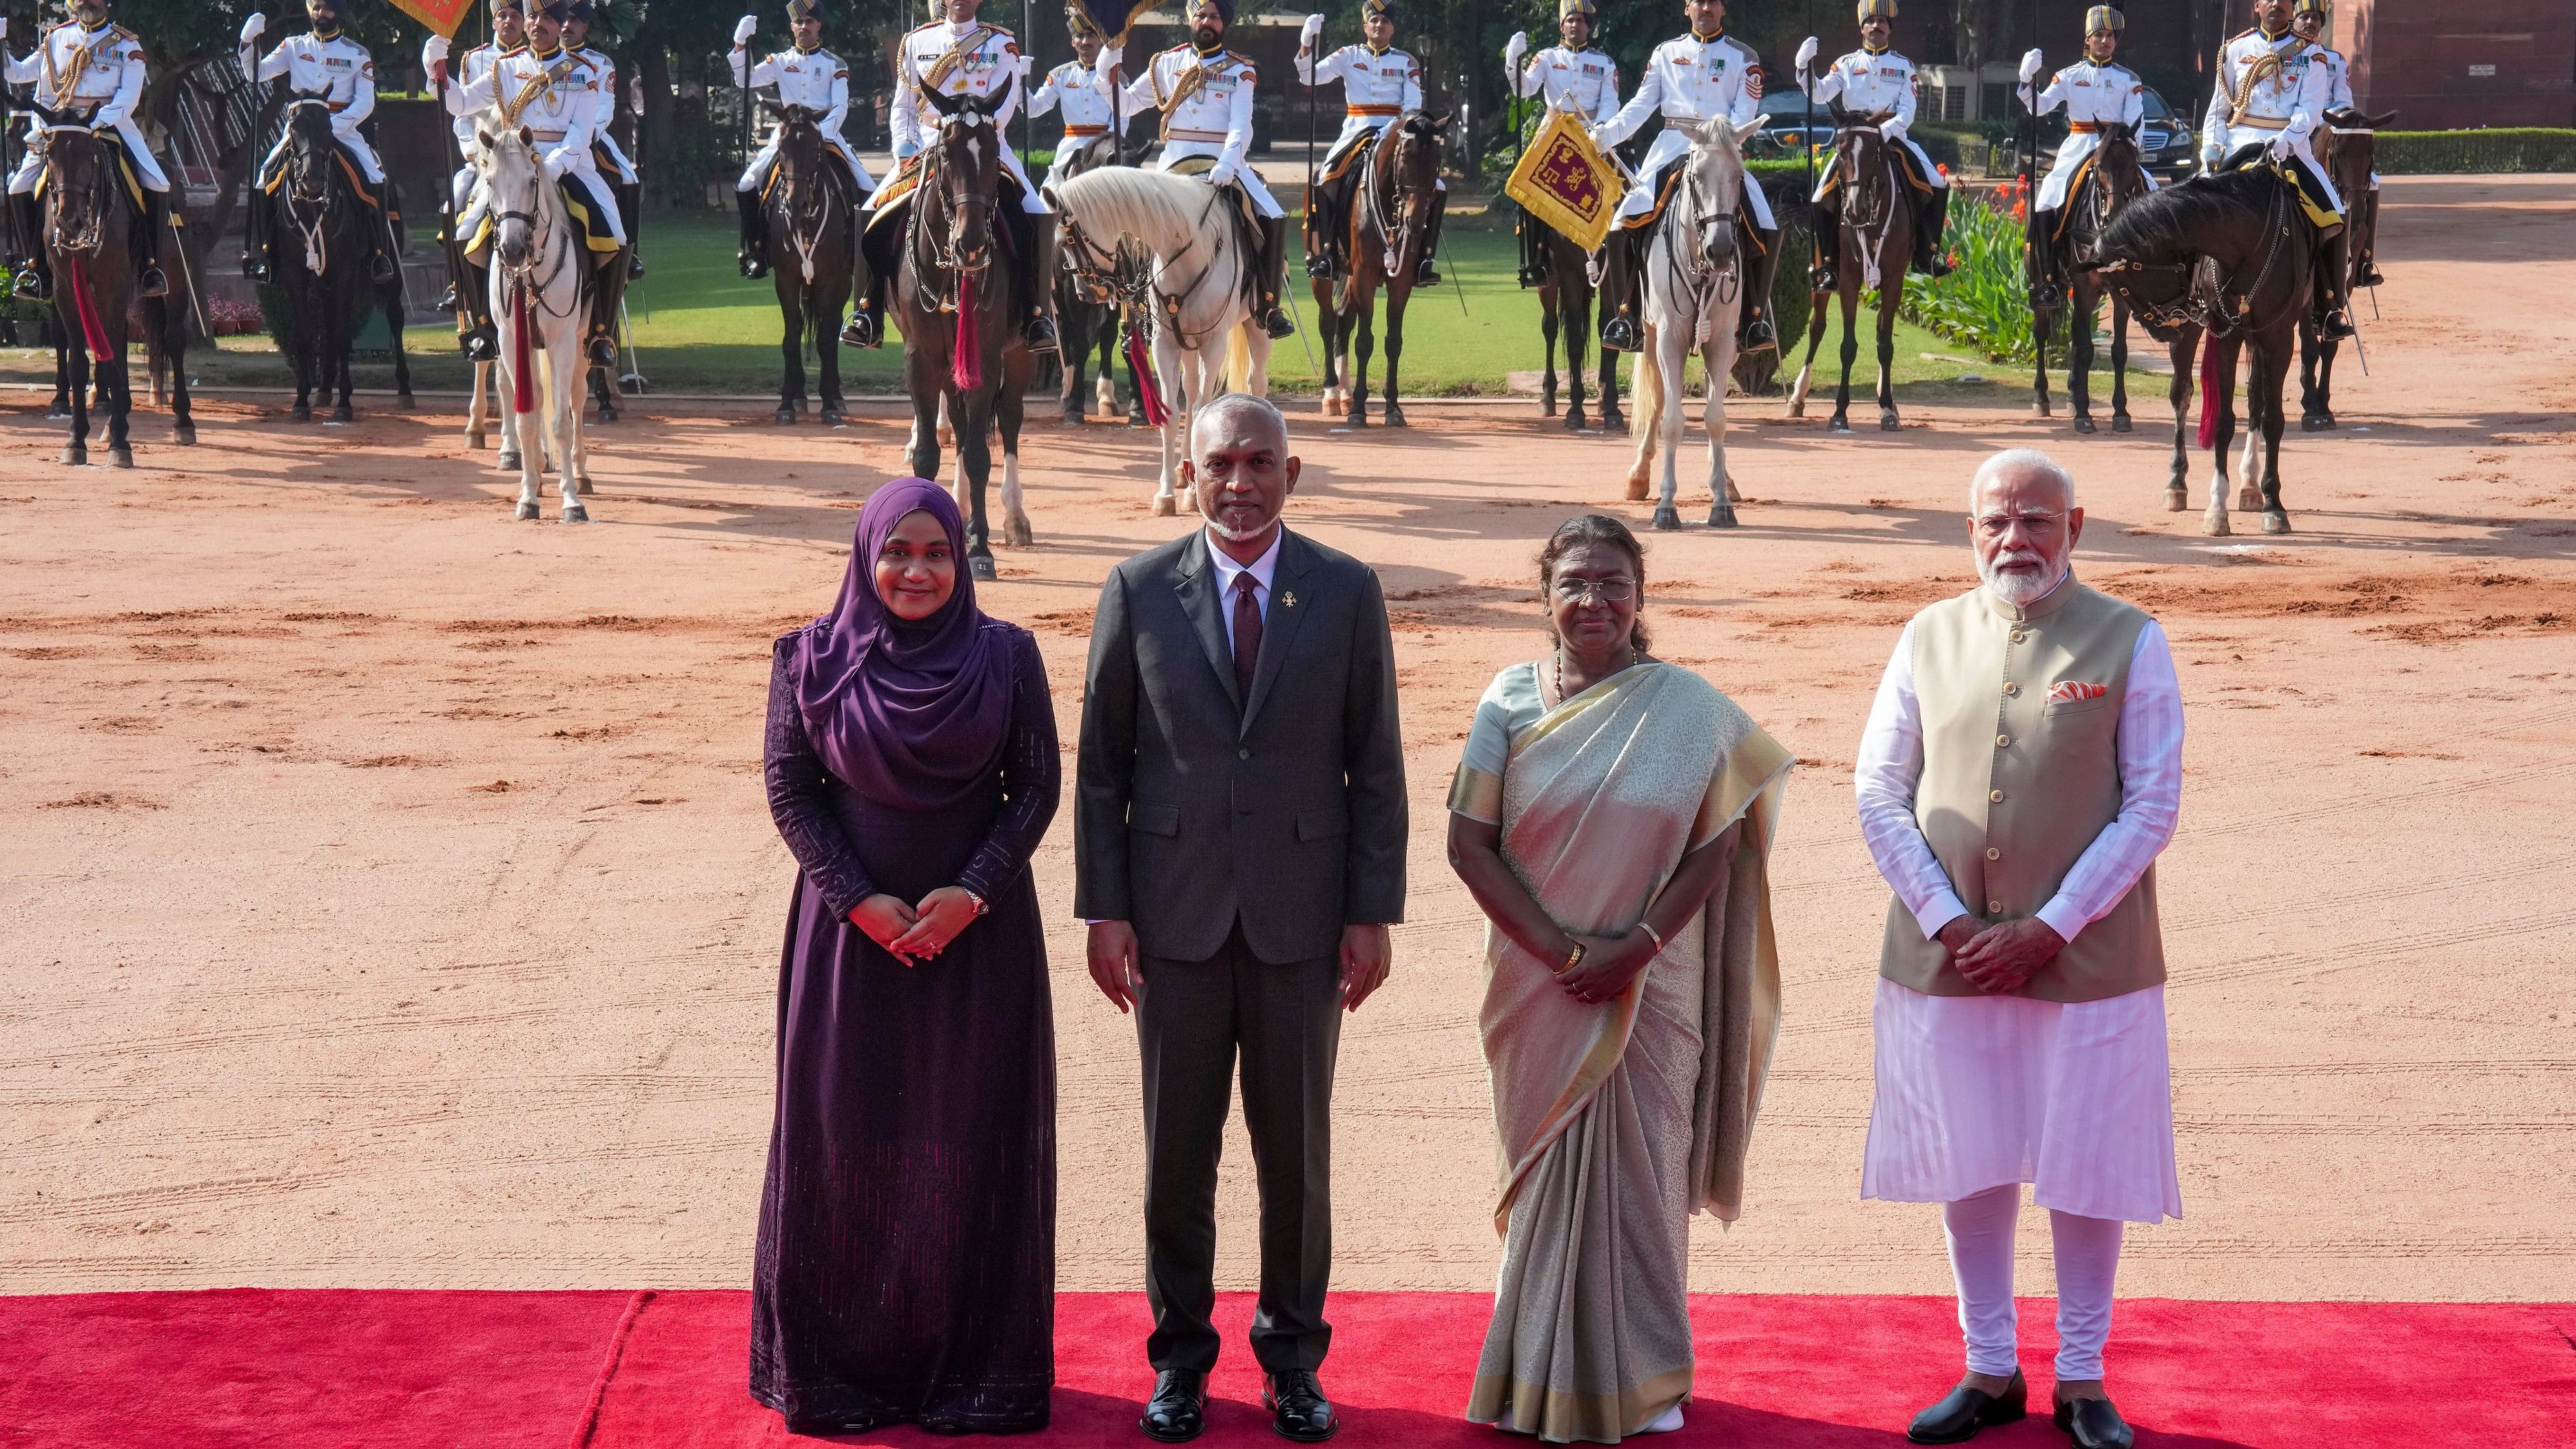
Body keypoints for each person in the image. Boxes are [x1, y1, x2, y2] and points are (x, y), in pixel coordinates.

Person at [1075, 393, 1405, 1444]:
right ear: (1189, 468)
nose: (1238, 482)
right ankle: (1178, 1361)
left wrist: (1369, 910)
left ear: (1291, 473)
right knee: (1176, 1158)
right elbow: (1101, 772)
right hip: (1170, 924)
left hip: (1302, 924)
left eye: (1259, 462)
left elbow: (1377, 766)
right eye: (1219, 462)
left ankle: (1292, 1361)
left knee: (1293, 1158)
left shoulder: (1346, 591)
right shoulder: (1135, 589)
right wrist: (1105, 909)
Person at [1853, 449, 2183, 1449]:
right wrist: (1952, 922)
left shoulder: (2132, 639)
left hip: (2087, 961)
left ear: (2073, 528)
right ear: (1969, 532)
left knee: (2086, 1167)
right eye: (1995, 522)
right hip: (1948, 958)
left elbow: (2151, 804)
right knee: (1974, 1157)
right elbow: (1876, 792)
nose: (2014, 539)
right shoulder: (1925, 634)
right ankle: (1987, 1367)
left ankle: (2080, 1377)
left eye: (2035, 521)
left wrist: (2049, 925)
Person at [1453, 514, 1792, 1444]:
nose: (1590, 599)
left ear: (1640, 595)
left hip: (1654, 981)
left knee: (1643, 1173)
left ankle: (1642, 1376)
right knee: (1542, 1173)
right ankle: (1533, 1374)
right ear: (1543, 595)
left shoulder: (1686, 708)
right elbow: (1465, 843)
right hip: (1537, 983)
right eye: (1571, 582)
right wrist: (1564, 954)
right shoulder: (1506, 701)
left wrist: (1637, 944)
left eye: (1610, 581)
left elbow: (1717, 841)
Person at [751, 477, 1061, 1437]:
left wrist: (973, 889)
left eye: (936, 553)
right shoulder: (807, 656)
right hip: (847, 944)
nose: (916, 571)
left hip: (983, 938)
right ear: (865, 554)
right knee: (841, 1138)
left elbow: (1036, 785)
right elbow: (789, 788)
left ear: (961, 558)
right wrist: (857, 899)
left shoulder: (1007, 655)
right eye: (897, 552)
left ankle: (974, 1372)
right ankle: (842, 1371)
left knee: (974, 1136)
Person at [432, 0, 635, 369]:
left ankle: (600, 332)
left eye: (547, 18)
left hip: (569, 167)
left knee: (616, 238)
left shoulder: (583, 73)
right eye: (533, 17)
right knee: (465, 234)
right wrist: (436, 70)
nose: (537, 24)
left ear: (561, 26)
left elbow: (579, 135)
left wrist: (550, 169)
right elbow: (459, 103)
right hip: (513, 169)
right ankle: (483, 328)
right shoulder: (504, 68)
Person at [1587, 0, 1780, 353]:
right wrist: (1608, 134)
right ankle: (1626, 317)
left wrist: (1719, 143)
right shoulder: (1666, 52)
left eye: (1713, 2)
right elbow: (1642, 105)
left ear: (1723, 9)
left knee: (1765, 223)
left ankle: (1754, 319)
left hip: (1720, 152)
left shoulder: (1744, 57)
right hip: (1671, 148)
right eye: (1699, 2)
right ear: (1687, 9)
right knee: (1619, 224)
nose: (1706, 8)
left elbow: (1745, 112)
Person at [1096, 0, 1297, 339]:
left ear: (1224, 24)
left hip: (1222, 161)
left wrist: (1228, 163)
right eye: (1201, 14)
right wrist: (1107, 67)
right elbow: (1127, 104)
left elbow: (1241, 126)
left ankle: (1269, 304)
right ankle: (1139, 308)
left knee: (1270, 215)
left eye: (1214, 16)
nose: (1207, 21)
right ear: (1191, 19)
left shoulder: (1239, 70)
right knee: (1135, 223)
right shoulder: (1166, 63)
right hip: (1174, 163)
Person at [879, 0, 1057, 352]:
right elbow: (902, 106)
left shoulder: (1000, 44)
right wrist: (903, 146)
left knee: (1037, 214)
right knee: (874, 211)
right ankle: (867, 310)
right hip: (930, 149)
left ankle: (1037, 315)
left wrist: (977, 128)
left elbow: (1005, 103)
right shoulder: (917, 42)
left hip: (986, 148)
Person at [2201, 0, 2353, 340]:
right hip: (2239, 147)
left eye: (2283, 0)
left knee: (2334, 214)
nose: (2276, 4)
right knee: (2191, 205)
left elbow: (2311, 108)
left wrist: (2289, 139)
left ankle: (2328, 306)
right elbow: (2219, 107)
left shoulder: (2311, 54)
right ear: (2257, 6)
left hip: (2289, 149)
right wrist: (2210, 147)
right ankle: (2189, 295)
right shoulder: (2235, 49)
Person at [3, 0, 172, 300]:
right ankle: (34, 266)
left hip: (109, 124)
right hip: (59, 127)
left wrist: (94, 122)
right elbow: (20, 76)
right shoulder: (56, 38)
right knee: (18, 185)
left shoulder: (127, 44)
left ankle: (150, 266)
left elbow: (128, 99)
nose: (87, 2)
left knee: (157, 182)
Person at [240, 0, 402, 287]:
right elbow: (258, 74)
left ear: (338, 12)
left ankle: (379, 255)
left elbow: (365, 102)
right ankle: (265, 255)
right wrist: (247, 42)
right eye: (315, 8)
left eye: (326, 9)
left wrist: (330, 127)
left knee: (376, 176)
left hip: (342, 129)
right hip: (300, 132)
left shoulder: (356, 54)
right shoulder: (293, 46)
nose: (320, 14)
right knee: (264, 178)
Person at [1795, 0, 1953, 290]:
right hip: (1854, 142)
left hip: (1892, 137)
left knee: (1937, 183)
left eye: (1882, 21)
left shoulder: (1904, 66)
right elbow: (1820, 94)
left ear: (1889, 29)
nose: (1876, 26)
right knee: (1820, 197)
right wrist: (1804, 68)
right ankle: (1830, 265)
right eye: (1871, 21)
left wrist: (1882, 134)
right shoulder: (1845, 64)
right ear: (1862, 28)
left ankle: (1927, 254)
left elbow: (1907, 113)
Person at [2015, 8, 2157, 307]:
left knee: (2155, 196)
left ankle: (2157, 276)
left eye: (2110, 36)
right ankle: (2047, 280)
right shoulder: (2069, 75)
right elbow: (2039, 108)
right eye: (2099, 35)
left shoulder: (2128, 79)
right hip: (2078, 146)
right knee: (2044, 202)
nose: (2104, 41)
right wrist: (2026, 80)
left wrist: (2131, 146)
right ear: (2088, 39)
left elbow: (2136, 118)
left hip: (2116, 149)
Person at [1294, 0, 1443, 285]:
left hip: (1397, 133)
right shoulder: (1348, 55)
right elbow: (1309, 76)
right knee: (1323, 178)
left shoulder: (1406, 62)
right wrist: (1306, 42)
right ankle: (1327, 253)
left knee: (1437, 186)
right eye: (1374, 21)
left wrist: (1394, 127)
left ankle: (1425, 259)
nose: (1379, 25)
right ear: (1365, 27)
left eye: (1385, 22)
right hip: (1355, 131)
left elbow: (1413, 104)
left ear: (1392, 28)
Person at [730, 0, 876, 283]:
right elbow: (743, 80)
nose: (804, 27)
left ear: (818, 26)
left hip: (826, 133)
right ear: (792, 27)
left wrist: (822, 134)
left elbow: (840, 106)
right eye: (799, 23)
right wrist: (739, 43)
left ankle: (863, 255)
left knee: (868, 188)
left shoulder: (835, 63)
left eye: (810, 22)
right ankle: (758, 252)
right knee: (746, 183)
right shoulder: (781, 62)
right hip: (787, 137)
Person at [424, 0, 526, 360]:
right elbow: (462, 113)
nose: (508, 21)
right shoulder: (474, 59)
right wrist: (470, 148)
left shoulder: (539, 61)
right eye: (502, 15)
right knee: (454, 200)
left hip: (528, 164)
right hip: (484, 161)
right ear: (494, 20)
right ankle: (461, 288)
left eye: (516, 15)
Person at [1501, 0, 1620, 287]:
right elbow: (1525, 89)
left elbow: (1611, 102)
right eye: (1570, 21)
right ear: (1561, 26)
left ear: (1588, 27)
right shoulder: (1545, 58)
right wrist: (1512, 61)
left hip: (1593, 133)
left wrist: (1600, 129)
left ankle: (1623, 253)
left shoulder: (1604, 63)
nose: (1574, 26)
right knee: (1526, 183)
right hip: (1555, 132)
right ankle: (1538, 261)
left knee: (1626, 185)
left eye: (1580, 21)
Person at [2290, 0, 2382, 288]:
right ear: (2294, 21)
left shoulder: (2336, 60)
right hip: (2292, 135)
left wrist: (2337, 121)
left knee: (2374, 181)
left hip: (2329, 132)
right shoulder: (2283, 57)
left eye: (2315, 18)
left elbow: (2344, 100)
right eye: (2304, 17)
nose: (2310, 23)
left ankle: (2365, 258)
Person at [562, 1, 642, 280]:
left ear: (584, 26)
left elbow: (604, 106)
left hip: (591, 136)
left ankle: (631, 255)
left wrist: (587, 135)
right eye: (562, 19)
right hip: (548, 138)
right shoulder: (536, 61)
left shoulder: (600, 63)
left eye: (574, 20)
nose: (567, 25)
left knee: (629, 177)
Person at [1028, 4, 1117, 192]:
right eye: (1080, 36)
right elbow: (1034, 109)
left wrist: (1113, 143)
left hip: (1107, 145)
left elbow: (1122, 115)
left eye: (1091, 35)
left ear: (1100, 39)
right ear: (1073, 42)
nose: (1086, 41)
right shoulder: (1061, 75)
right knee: (1047, 196)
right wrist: (1018, 83)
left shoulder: (1114, 74)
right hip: (1071, 146)